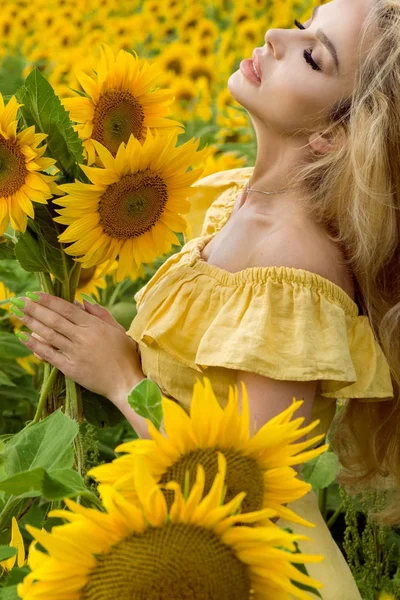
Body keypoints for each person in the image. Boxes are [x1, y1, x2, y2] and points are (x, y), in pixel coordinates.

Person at [13, 0, 400, 597]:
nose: (274, 36)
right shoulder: (234, 202)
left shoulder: (294, 266)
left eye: (313, 55)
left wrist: (119, 377)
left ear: (333, 134)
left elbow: (236, 483)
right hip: (181, 548)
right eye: (300, 26)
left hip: (256, 573)